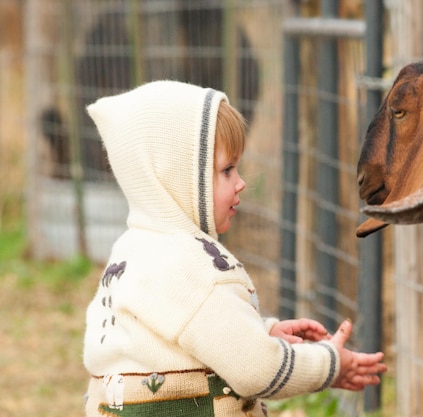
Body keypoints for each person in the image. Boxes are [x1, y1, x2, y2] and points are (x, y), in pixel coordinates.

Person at [82, 80, 387, 416]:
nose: (241, 182)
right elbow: (255, 370)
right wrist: (329, 364)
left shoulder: (133, 251)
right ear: (176, 177)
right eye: (226, 170)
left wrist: (262, 333)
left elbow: (181, 342)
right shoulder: (184, 264)